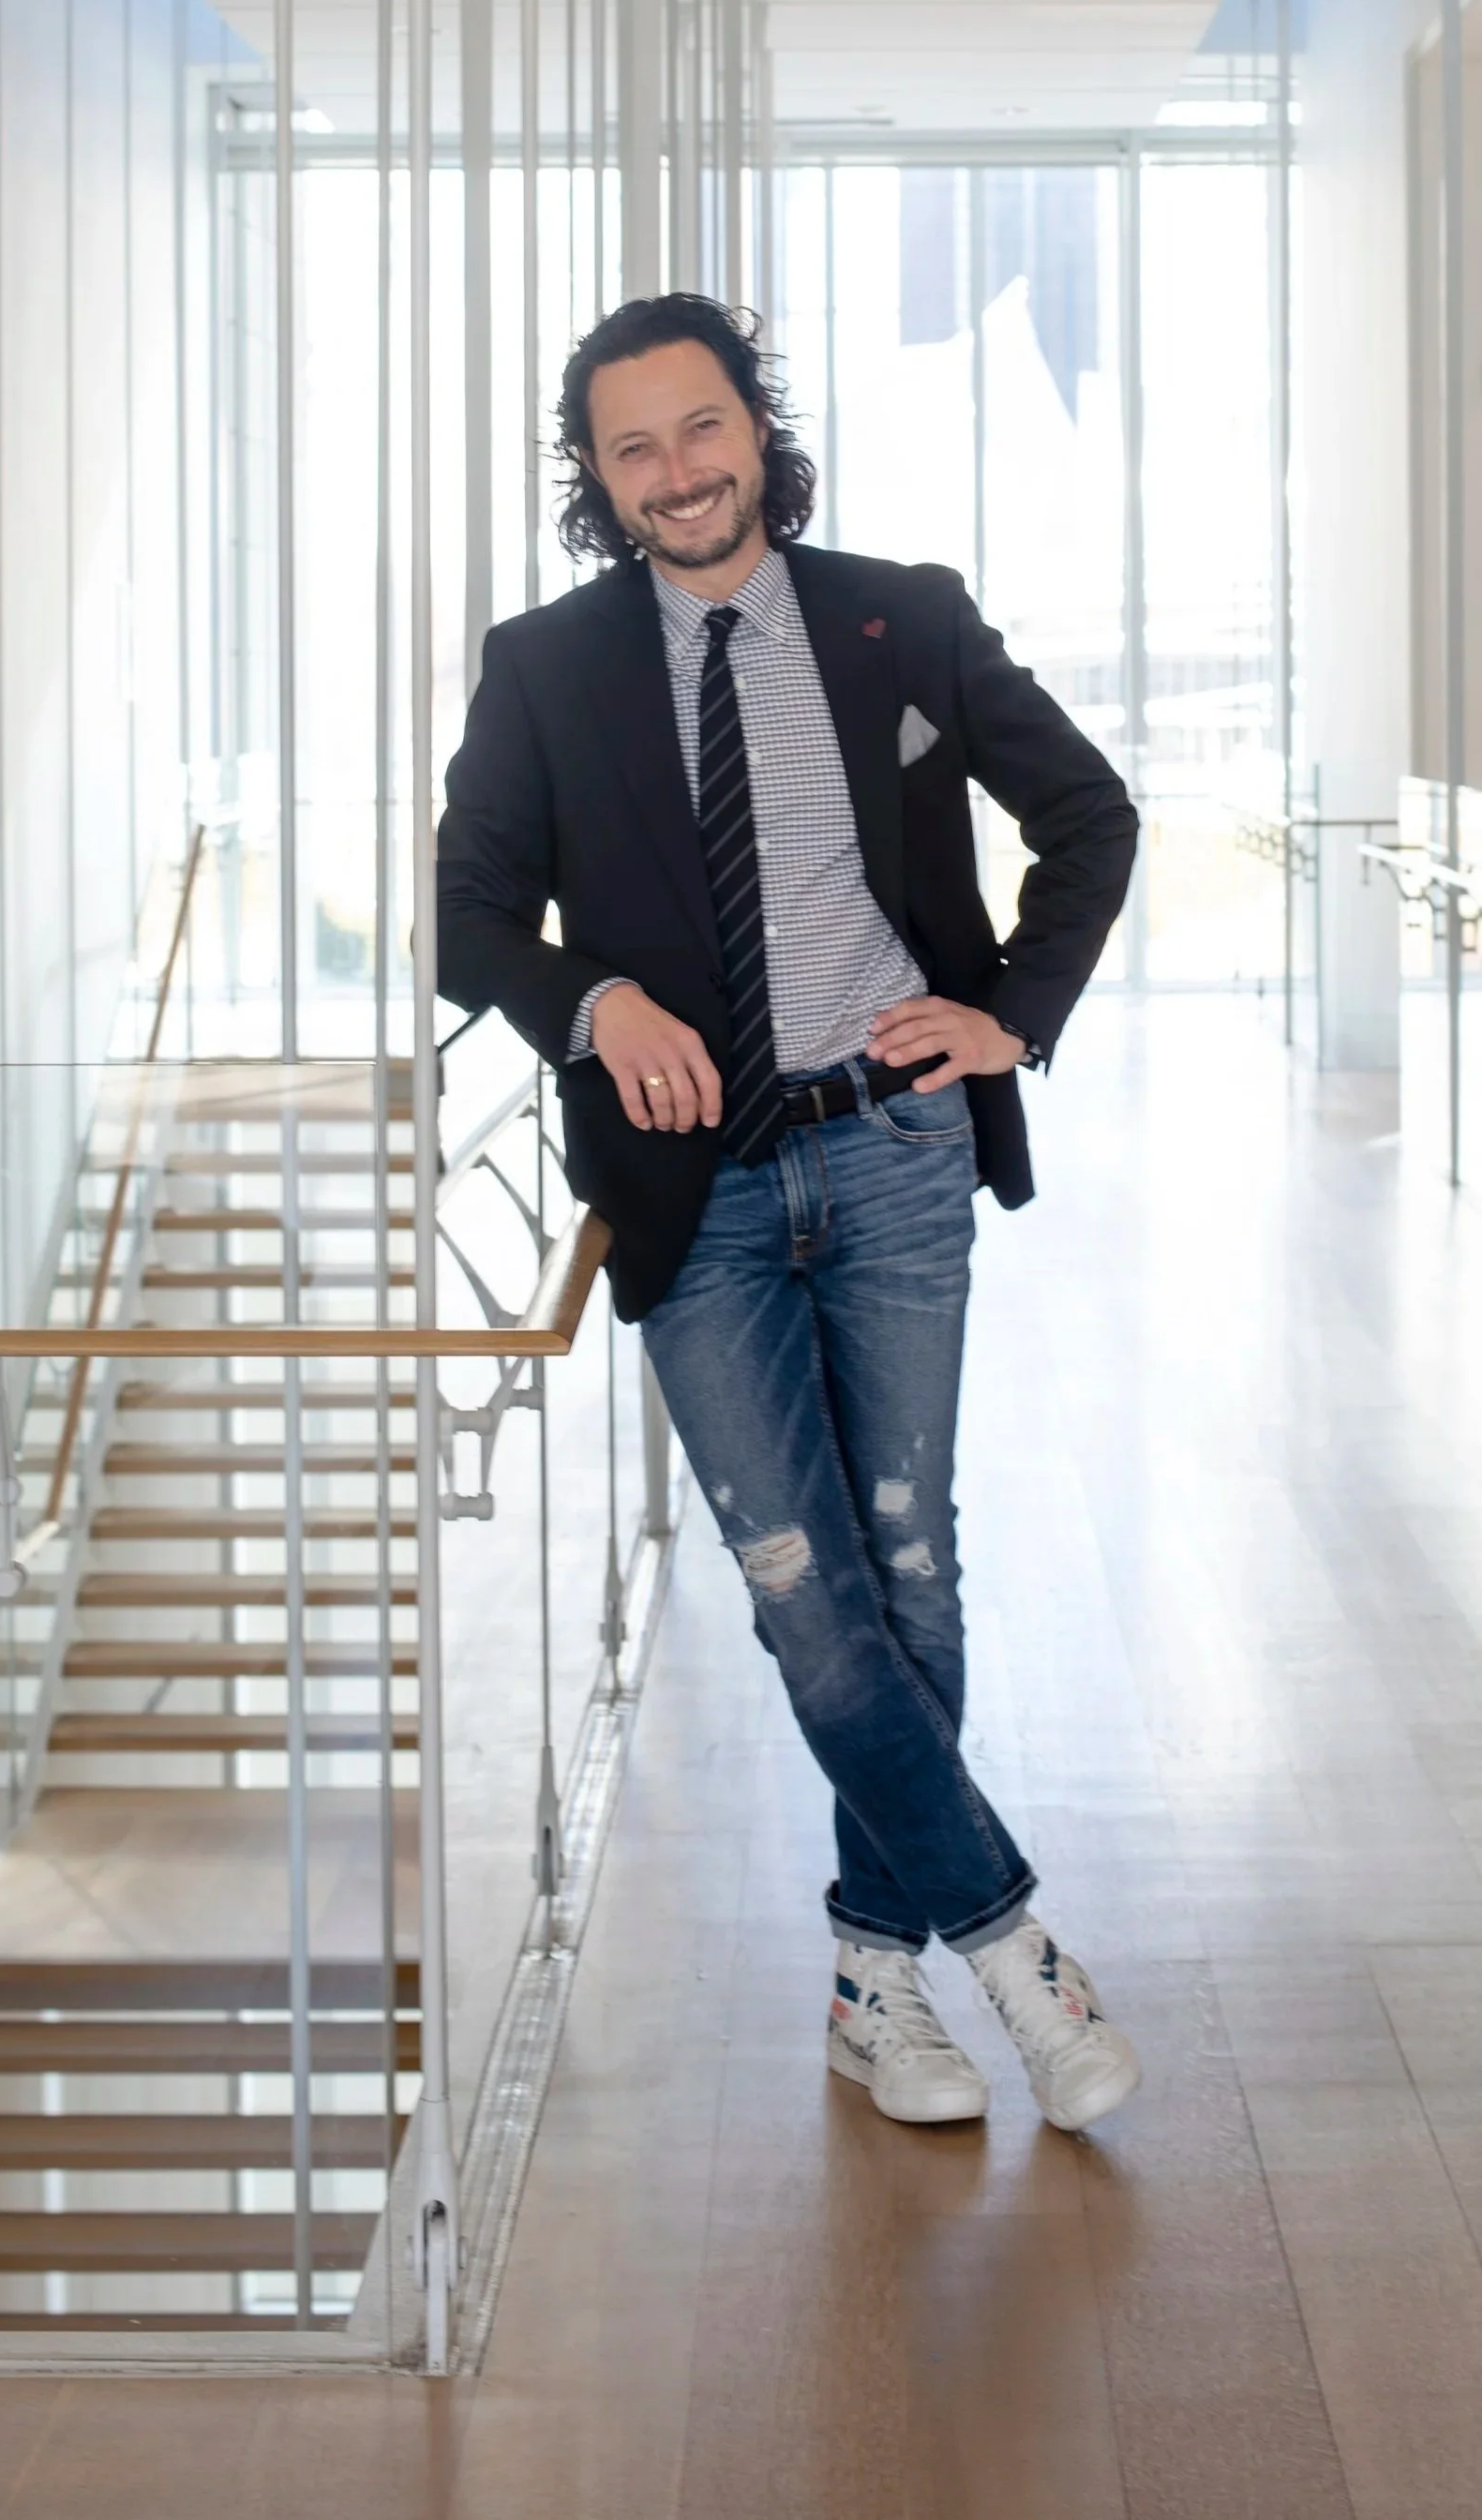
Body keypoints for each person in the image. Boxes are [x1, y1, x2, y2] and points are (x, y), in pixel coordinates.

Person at [437, 291, 1141, 2132]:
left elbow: (1087, 809)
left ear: (756, 423)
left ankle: (864, 1966)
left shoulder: (897, 611)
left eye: (698, 426)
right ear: (595, 479)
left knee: (909, 1572)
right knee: (801, 1593)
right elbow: (465, 911)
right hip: (698, 1193)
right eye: (630, 447)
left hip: (893, 1152)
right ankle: (1006, 1944)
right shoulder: (542, 665)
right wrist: (594, 1000)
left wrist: (1011, 1017)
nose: (674, 471)